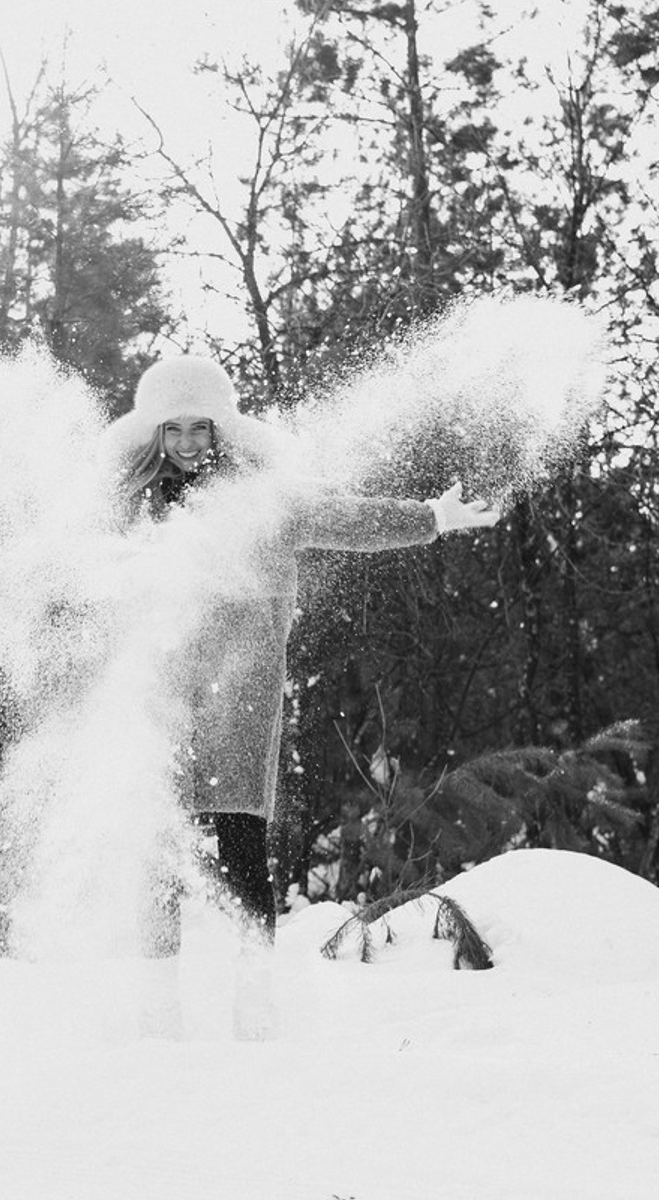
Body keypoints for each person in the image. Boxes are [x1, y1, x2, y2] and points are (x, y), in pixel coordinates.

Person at [100, 355, 499, 958]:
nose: (186, 443)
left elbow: (346, 518)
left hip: (242, 693)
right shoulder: (131, 507)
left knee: (241, 846)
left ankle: (255, 991)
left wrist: (432, 518)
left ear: (220, 430)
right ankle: (158, 999)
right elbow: (72, 557)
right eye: (172, 429)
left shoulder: (265, 500)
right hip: (161, 691)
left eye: (199, 427)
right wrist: (0, 582)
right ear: (154, 434)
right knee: (158, 848)